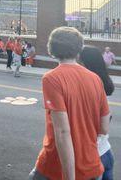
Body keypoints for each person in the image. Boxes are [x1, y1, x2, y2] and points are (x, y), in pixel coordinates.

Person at [29, 27, 110, 180]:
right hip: (92, 166)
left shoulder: (52, 78)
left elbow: (62, 132)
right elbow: (104, 128)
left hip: (56, 168)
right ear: (79, 48)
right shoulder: (95, 78)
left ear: (51, 48)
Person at [80, 46, 115, 180]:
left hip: (92, 156)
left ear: (85, 63)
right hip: (106, 151)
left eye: (79, 61)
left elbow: (102, 128)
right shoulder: (102, 83)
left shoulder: (86, 87)